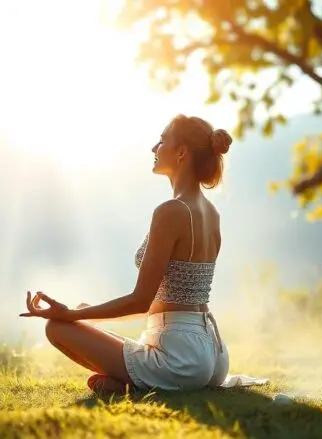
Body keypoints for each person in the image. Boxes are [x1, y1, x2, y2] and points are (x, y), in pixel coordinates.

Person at [19, 114, 236, 394]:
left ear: (181, 152)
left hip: (182, 356)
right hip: (212, 353)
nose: (153, 149)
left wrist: (71, 315)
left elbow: (141, 301)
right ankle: (131, 381)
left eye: (161, 141)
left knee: (56, 328)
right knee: (81, 315)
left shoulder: (171, 211)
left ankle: (131, 385)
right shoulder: (211, 213)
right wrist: (85, 315)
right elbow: (168, 301)